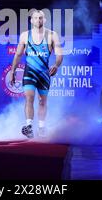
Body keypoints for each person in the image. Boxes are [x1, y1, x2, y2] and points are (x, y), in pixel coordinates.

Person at [10, 9, 63, 138]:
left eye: (40, 18)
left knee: (42, 101)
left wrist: (56, 65)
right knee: (29, 97)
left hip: (44, 73)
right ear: (31, 20)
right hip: (30, 72)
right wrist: (13, 71)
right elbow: (17, 55)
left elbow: (59, 54)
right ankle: (28, 126)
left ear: (44, 20)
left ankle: (41, 127)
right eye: (35, 18)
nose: (38, 20)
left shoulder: (52, 35)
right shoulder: (24, 35)